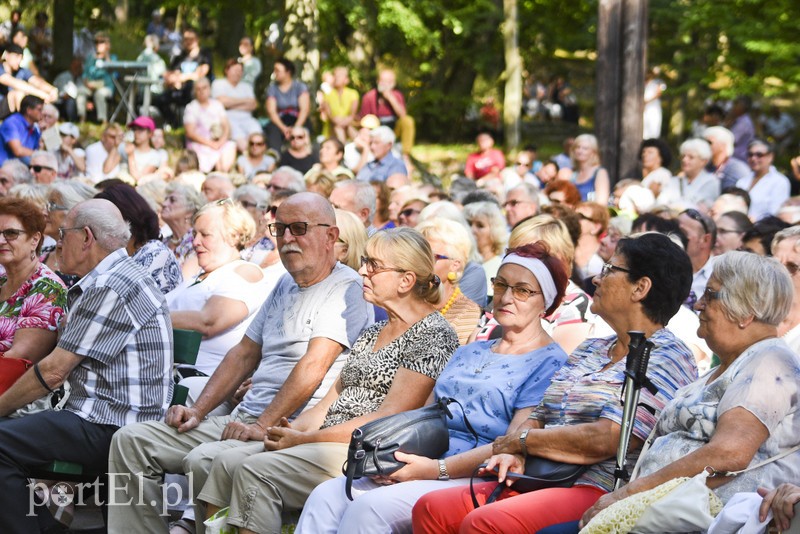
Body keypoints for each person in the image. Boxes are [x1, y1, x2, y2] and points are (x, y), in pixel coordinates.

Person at [107, 192, 374, 532]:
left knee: (205, 460)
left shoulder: (345, 288)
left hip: (287, 428)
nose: (287, 238)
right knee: (132, 441)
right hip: (240, 419)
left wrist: (263, 424)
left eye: (299, 228)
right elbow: (244, 352)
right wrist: (198, 410)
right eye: (280, 229)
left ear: (331, 237)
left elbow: (313, 366)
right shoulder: (285, 284)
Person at [413, 232, 699, 533]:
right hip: (538, 473)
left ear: (640, 288)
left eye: (610, 269)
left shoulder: (667, 355)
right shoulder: (592, 348)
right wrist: (514, 452)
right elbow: (539, 416)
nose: (597, 280)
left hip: (596, 485)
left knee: (485, 523)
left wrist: (521, 442)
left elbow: (611, 438)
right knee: (432, 508)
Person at [197, 227, 459, 533]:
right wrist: (290, 429)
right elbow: (329, 401)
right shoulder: (375, 331)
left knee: (255, 470)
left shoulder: (433, 333)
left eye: (373, 265)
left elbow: (390, 416)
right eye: (364, 261)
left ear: (406, 280)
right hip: (328, 438)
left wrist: (306, 439)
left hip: (367, 449)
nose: (362, 271)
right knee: (224, 462)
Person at [298, 242, 571, 533]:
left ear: (546, 301)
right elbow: (425, 417)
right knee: (326, 496)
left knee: (370, 509)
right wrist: (394, 461)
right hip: (424, 461)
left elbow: (513, 443)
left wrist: (432, 470)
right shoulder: (472, 350)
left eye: (523, 290)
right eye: (501, 284)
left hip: (476, 475)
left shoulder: (550, 363)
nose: (506, 297)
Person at [581, 251, 800, 527]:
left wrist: (628, 494)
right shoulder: (735, 364)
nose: (698, 305)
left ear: (745, 313)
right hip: (663, 514)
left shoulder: (769, 362)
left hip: (701, 520)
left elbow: (729, 454)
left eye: (710, 294)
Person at [0, 198, 172, 531]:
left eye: (63, 234)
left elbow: (53, 370)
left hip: (115, 424)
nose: (57, 243)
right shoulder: (112, 278)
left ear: (87, 238)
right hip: (98, 415)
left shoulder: (113, 284)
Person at [165, 200, 267, 411]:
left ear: (234, 236)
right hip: (166, 371)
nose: (195, 242)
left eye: (206, 235)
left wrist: (146, 315)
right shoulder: (199, 274)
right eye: (195, 234)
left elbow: (209, 322)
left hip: (201, 383)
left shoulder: (244, 271)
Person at [0, 197, 66, 365]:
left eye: (11, 233)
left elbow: (20, 359)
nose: (1, 241)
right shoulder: (2, 280)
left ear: (35, 240)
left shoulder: (48, 289)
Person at [94, 183, 182, 294]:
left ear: (125, 217)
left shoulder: (156, 253)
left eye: (102, 221)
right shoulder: (129, 254)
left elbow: (116, 298)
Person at [417, 218, 482, 344]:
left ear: (455, 264)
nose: (421, 262)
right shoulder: (406, 299)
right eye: (418, 254)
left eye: (431, 256)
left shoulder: (466, 313)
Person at [42, 180, 97, 287]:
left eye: (52, 206)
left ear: (74, 210)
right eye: (46, 205)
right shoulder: (41, 253)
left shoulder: (88, 263)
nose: (43, 212)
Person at [158, 27, 212, 127]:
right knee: (161, 99)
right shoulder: (180, 57)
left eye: (191, 39)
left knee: (190, 88)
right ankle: (174, 125)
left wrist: (182, 78)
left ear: (197, 39)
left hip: (196, 90)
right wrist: (174, 79)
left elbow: (200, 74)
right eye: (186, 39)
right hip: (178, 89)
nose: (188, 42)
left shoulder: (204, 55)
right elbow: (172, 73)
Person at [184, 77, 237, 173]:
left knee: (229, 147)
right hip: (200, 143)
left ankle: (223, 174)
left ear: (209, 89)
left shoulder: (217, 105)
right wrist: (211, 144)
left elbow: (226, 126)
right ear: (195, 91)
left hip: (218, 141)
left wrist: (221, 141)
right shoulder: (191, 107)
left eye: (204, 88)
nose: (202, 91)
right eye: (198, 89)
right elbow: (190, 133)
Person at [359, 68, 415, 157]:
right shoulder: (369, 97)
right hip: (376, 132)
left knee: (408, 120)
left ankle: (406, 155)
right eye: (383, 81)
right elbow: (363, 122)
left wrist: (391, 98)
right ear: (378, 81)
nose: (385, 84)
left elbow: (403, 115)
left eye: (389, 81)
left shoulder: (397, 95)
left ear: (394, 83)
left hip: (394, 130)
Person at [212, 59, 263, 153]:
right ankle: (247, 155)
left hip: (248, 119)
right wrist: (245, 101)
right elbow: (221, 103)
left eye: (240, 71)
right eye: (235, 70)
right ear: (227, 70)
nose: (238, 73)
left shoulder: (247, 86)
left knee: (257, 133)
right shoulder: (218, 83)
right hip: (228, 119)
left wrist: (230, 103)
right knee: (240, 139)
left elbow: (253, 105)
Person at [737, 139, 790, 222]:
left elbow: (775, 213)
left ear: (770, 157)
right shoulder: (742, 180)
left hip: (763, 231)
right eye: (750, 154)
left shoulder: (780, 182)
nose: (753, 158)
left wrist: (754, 220)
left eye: (759, 155)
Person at [161, 182, 207, 280]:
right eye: (165, 199)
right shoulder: (163, 241)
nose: (164, 204)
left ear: (190, 211)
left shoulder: (196, 242)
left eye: (172, 200)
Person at [265, 58, 310, 151]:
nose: (275, 73)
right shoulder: (272, 88)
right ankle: (275, 157)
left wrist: (296, 127)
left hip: (298, 119)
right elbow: (272, 112)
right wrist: (284, 128)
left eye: (278, 70)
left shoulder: (300, 86)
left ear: (288, 72)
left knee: (303, 131)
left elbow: (304, 110)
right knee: (272, 131)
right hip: (279, 121)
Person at [0, 43, 56, 118]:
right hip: (2, 106)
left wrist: (52, 89)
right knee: (18, 93)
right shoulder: (1, 69)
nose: (19, 61)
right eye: (16, 57)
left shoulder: (22, 71)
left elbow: (37, 81)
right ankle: (23, 123)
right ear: (7, 55)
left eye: (21, 58)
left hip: (12, 109)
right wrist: (42, 94)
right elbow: (15, 83)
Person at [463, 201, 508, 290]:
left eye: (480, 225)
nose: (472, 230)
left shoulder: (501, 268)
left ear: (495, 231)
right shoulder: (459, 263)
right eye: (469, 224)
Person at [556, 134, 609, 205]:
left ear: (593, 152)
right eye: (578, 147)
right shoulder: (571, 174)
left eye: (585, 148)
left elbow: (602, 203)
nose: (580, 151)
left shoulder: (599, 172)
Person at [678, 208, 717, 303]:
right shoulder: (663, 266)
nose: (675, 236)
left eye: (682, 233)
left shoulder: (718, 277)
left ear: (705, 240)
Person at [79, 32, 116, 123]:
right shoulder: (90, 58)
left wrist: (106, 55)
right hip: (90, 86)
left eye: (101, 42)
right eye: (96, 42)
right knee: (80, 91)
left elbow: (113, 73)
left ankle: (103, 120)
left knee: (99, 94)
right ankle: (81, 118)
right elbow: (85, 75)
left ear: (107, 44)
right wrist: (87, 84)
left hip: (106, 87)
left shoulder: (113, 58)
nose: (98, 44)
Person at [676, 138, 719, 212]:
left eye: (691, 157)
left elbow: (701, 208)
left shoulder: (711, 182)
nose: (684, 160)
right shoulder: (674, 181)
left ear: (703, 161)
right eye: (683, 156)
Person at [704, 126, 751, 192]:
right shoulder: (707, 166)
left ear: (723, 145)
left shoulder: (736, 168)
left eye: (709, 142)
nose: (704, 145)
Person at [0, 95, 43, 166]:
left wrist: (44, 132)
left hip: (18, 169)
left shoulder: (35, 129)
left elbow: (37, 151)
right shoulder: (12, 122)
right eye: (39, 110)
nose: (42, 113)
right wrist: (39, 154)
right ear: (29, 110)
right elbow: (18, 151)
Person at [123, 116, 168, 183]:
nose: (136, 133)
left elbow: (139, 179)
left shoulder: (155, 156)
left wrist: (130, 155)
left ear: (150, 133)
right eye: (134, 129)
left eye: (140, 129)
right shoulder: (124, 148)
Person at [321, 66, 360, 143]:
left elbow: (352, 115)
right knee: (338, 128)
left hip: (348, 127)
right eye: (335, 75)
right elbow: (329, 116)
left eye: (339, 76)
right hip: (332, 130)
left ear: (346, 79)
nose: (336, 78)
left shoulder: (353, 93)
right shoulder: (327, 95)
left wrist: (343, 122)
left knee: (347, 127)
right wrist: (337, 121)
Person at [573, 201, 608, 281]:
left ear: (596, 227)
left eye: (580, 217)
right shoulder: (567, 250)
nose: (574, 219)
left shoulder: (603, 257)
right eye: (573, 215)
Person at [639, 138, 676, 205]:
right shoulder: (651, 174)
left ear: (660, 157)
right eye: (644, 152)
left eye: (650, 152)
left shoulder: (662, 173)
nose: (644, 155)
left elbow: (650, 196)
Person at [728, 95, 755, 162]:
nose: (733, 107)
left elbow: (731, 140)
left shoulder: (744, 122)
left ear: (743, 107)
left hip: (738, 158)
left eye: (736, 104)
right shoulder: (740, 120)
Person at [643, 68, 665, 140]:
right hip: (645, 108)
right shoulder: (645, 82)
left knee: (654, 126)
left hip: (653, 107)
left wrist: (647, 101)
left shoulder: (658, 82)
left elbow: (659, 93)